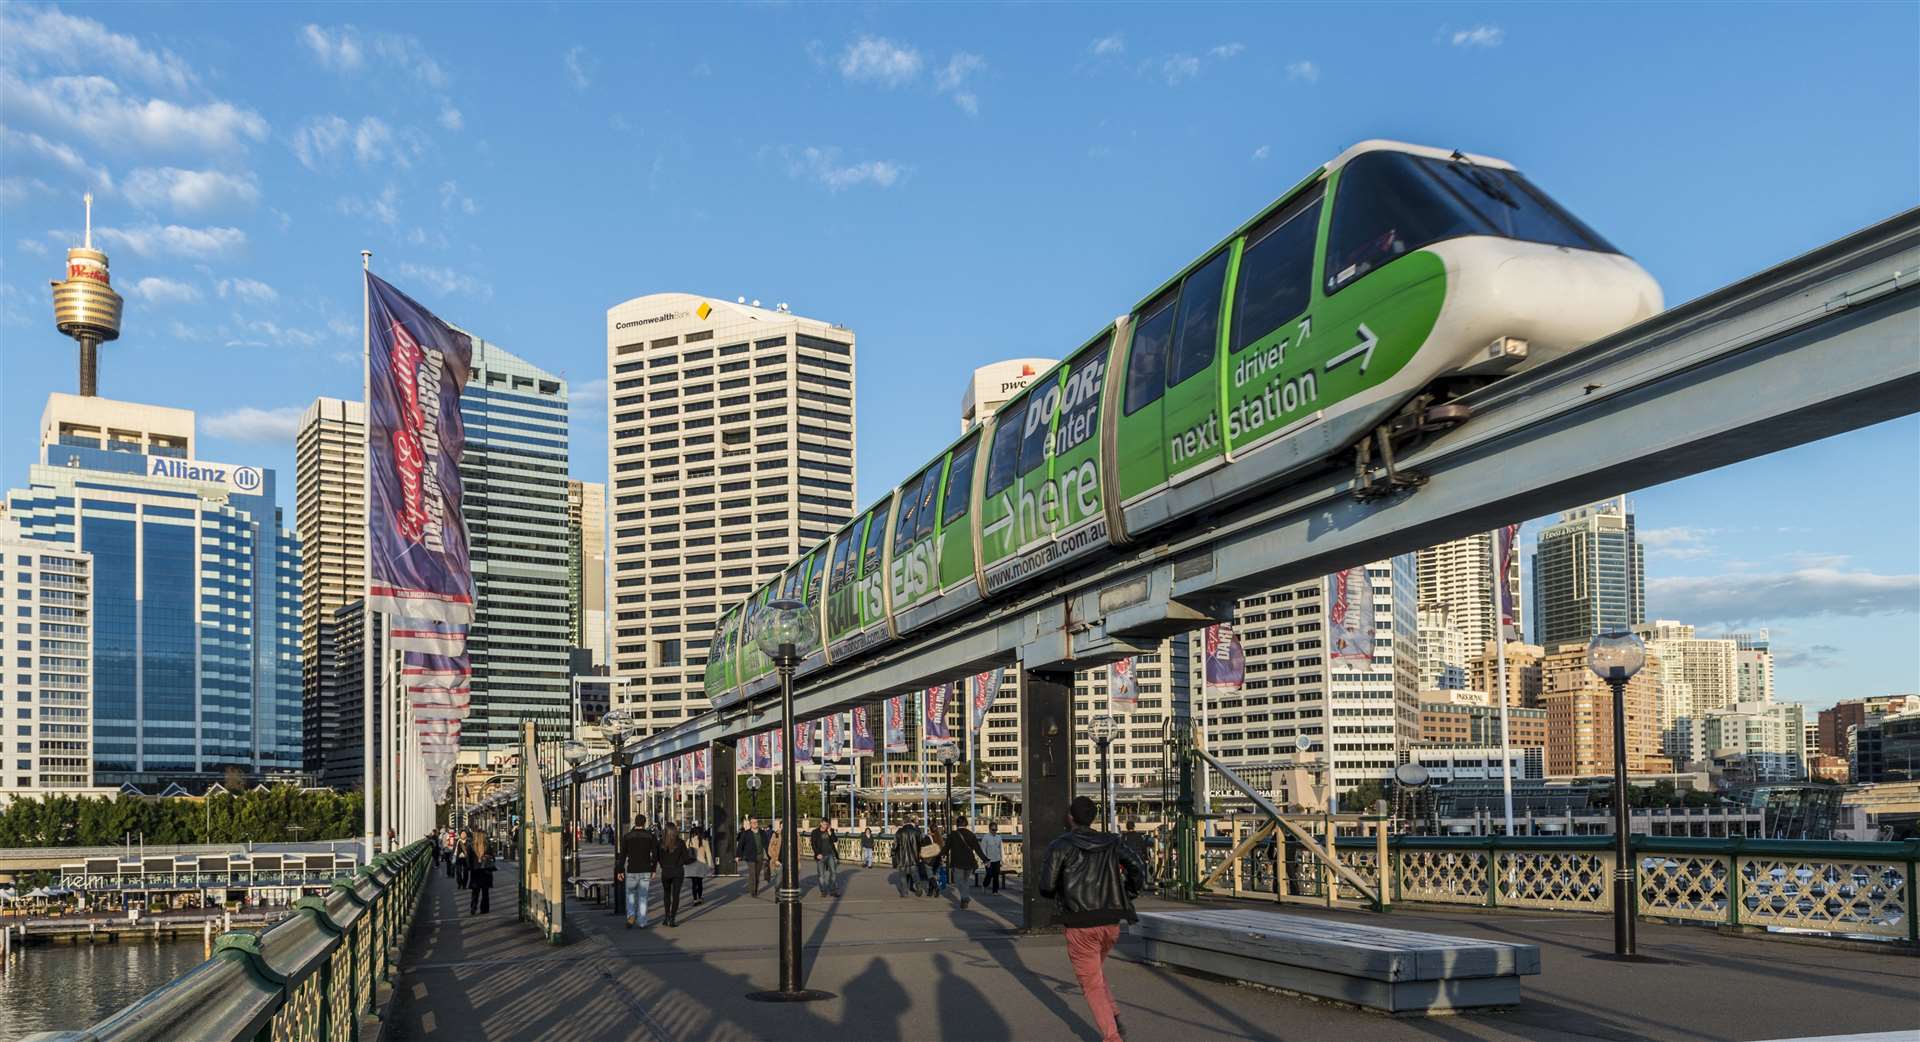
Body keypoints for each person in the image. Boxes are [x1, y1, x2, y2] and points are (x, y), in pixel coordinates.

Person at [1040, 796, 1148, 1042]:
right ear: (1093, 818)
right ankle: (1113, 1014)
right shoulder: (1112, 842)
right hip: (1111, 921)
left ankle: (1112, 1036)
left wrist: (1061, 890)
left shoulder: (1060, 845)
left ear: (1070, 817)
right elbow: (1137, 866)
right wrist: (1129, 892)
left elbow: (1045, 886)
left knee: (1090, 984)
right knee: (1095, 972)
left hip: (1080, 923)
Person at [616, 815, 660, 929]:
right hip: (645, 869)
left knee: (630, 895)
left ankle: (631, 916)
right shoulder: (650, 836)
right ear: (644, 823)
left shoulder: (627, 837)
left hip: (632, 869)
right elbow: (655, 855)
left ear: (635, 823)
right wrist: (653, 869)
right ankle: (641, 921)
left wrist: (620, 870)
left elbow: (623, 855)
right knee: (643, 896)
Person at [942, 816, 987, 909]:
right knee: (965, 881)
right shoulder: (971, 834)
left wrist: (942, 855)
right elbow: (978, 849)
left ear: (957, 824)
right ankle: (965, 898)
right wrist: (985, 859)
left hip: (957, 862)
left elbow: (946, 847)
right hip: (970, 862)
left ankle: (965, 898)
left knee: (959, 882)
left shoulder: (952, 835)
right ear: (966, 824)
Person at [657, 823, 693, 927]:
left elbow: (658, 857)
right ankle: (672, 918)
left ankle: (666, 916)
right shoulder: (680, 843)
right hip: (677, 871)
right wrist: (692, 860)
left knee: (666, 894)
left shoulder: (661, 843)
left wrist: (663, 865)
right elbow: (686, 859)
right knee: (676, 895)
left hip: (666, 871)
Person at [467, 827, 495, 915]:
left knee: (475, 892)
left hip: (475, 871)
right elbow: (493, 858)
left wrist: (470, 868)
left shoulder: (471, 846)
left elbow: (468, 860)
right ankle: (484, 909)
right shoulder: (487, 845)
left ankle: (473, 907)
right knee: (485, 892)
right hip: (485, 871)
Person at [891, 817, 922, 897]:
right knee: (916, 876)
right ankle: (919, 889)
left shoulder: (899, 832)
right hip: (914, 858)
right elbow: (921, 843)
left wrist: (893, 853)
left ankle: (905, 892)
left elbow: (895, 845)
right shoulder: (916, 832)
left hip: (902, 859)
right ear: (911, 822)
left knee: (903, 877)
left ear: (903, 823)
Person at [737, 817, 768, 897]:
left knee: (757, 875)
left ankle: (756, 889)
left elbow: (767, 844)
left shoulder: (762, 833)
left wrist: (769, 854)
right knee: (752, 874)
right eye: (753, 822)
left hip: (760, 856)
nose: (755, 824)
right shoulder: (746, 833)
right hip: (750, 856)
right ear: (750, 824)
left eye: (756, 822)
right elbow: (740, 845)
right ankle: (752, 892)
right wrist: (738, 856)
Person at [811, 821, 841, 897]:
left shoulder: (830, 830)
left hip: (830, 854)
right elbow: (813, 844)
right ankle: (823, 891)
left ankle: (833, 890)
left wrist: (830, 833)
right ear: (821, 823)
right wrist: (817, 854)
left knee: (833, 872)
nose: (825, 826)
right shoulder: (815, 832)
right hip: (820, 855)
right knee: (821, 875)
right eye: (824, 824)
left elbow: (835, 840)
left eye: (827, 824)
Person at [687, 825, 713, 905]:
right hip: (701, 864)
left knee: (694, 883)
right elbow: (708, 853)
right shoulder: (704, 841)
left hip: (691, 864)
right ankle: (700, 897)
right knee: (699, 882)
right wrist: (710, 865)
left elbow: (685, 852)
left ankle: (695, 899)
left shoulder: (689, 841)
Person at [980, 821, 1006, 894]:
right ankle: (985, 884)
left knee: (996, 876)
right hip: (989, 860)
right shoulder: (985, 837)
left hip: (997, 859)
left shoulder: (999, 837)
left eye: (996, 830)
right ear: (989, 829)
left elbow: (1001, 849)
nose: (994, 831)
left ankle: (995, 891)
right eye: (993, 830)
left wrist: (1002, 859)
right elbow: (983, 849)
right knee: (989, 874)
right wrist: (985, 860)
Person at [922, 824, 944, 898]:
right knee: (934, 875)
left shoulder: (927, 838)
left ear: (930, 830)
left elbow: (923, 847)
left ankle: (936, 887)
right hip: (937, 859)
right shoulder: (939, 838)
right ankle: (930, 891)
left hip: (929, 859)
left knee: (930, 876)